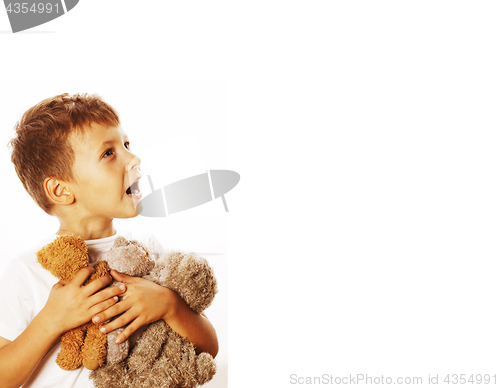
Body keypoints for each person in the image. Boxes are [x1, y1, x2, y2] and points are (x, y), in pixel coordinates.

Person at [0, 93, 219, 388]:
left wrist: (170, 306)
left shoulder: (148, 252)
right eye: (108, 153)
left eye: (126, 145)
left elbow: (209, 348)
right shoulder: (27, 271)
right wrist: (51, 320)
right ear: (61, 190)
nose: (133, 158)